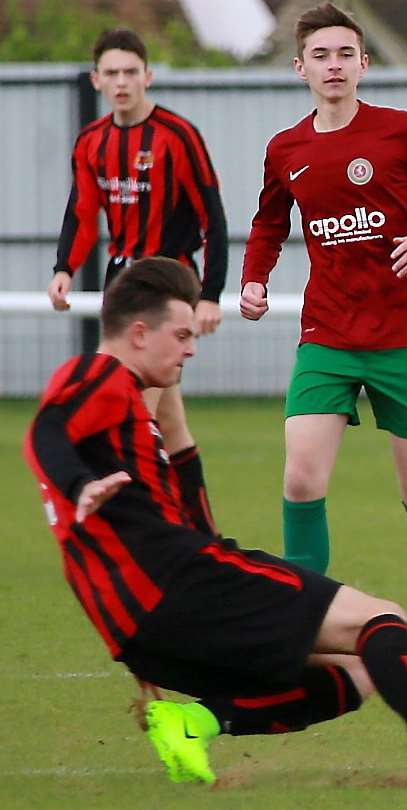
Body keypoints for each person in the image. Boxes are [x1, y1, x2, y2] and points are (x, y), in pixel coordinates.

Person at [23, 257, 407, 786]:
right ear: (139, 333)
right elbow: (46, 430)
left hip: (136, 633)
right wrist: (79, 485)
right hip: (182, 584)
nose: (191, 347)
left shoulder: (133, 411)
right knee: (383, 621)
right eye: (182, 334)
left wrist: (170, 427)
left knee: (365, 668)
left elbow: (177, 479)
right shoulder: (98, 376)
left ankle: (194, 721)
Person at [239, 3, 407, 683]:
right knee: (301, 477)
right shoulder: (287, 149)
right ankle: (303, 626)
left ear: (363, 64)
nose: (334, 66)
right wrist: (255, 281)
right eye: (321, 56)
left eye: (346, 54)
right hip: (328, 335)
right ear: (300, 68)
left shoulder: (402, 132)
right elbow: (267, 223)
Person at [49, 27, 227, 538]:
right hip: (120, 284)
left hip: (169, 285)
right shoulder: (92, 142)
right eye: (112, 73)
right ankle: (203, 538)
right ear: (96, 80)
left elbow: (212, 217)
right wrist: (63, 267)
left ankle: (147, 536)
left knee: (130, 416)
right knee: (166, 423)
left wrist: (210, 294)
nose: (123, 81)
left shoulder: (177, 135)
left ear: (148, 76)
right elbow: (82, 212)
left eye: (132, 71)